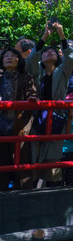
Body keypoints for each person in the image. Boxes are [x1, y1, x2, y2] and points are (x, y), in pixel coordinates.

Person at [27, 21, 73, 186]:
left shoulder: (62, 72)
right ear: (41, 59)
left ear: (58, 57)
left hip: (56, 115)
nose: (49, 53)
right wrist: (45, 37)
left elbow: (70, 59)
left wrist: (61, 35)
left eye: (52, 51)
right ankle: (31, 184)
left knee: (53, 154)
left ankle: (53, 187)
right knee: (34, 152)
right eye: (46, 52)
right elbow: (30, 59)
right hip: (37, 116)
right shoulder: (38, 73)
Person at [0, 47, 38, 190]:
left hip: (19, 121)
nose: (9, 57)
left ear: (19, 60)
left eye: (13, 55)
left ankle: (24, 191)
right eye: (5, 56)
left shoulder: (26, 77)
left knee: (21, 158)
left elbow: (32, 94)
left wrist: (32, 98)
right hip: (1, 121)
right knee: (2, 159)